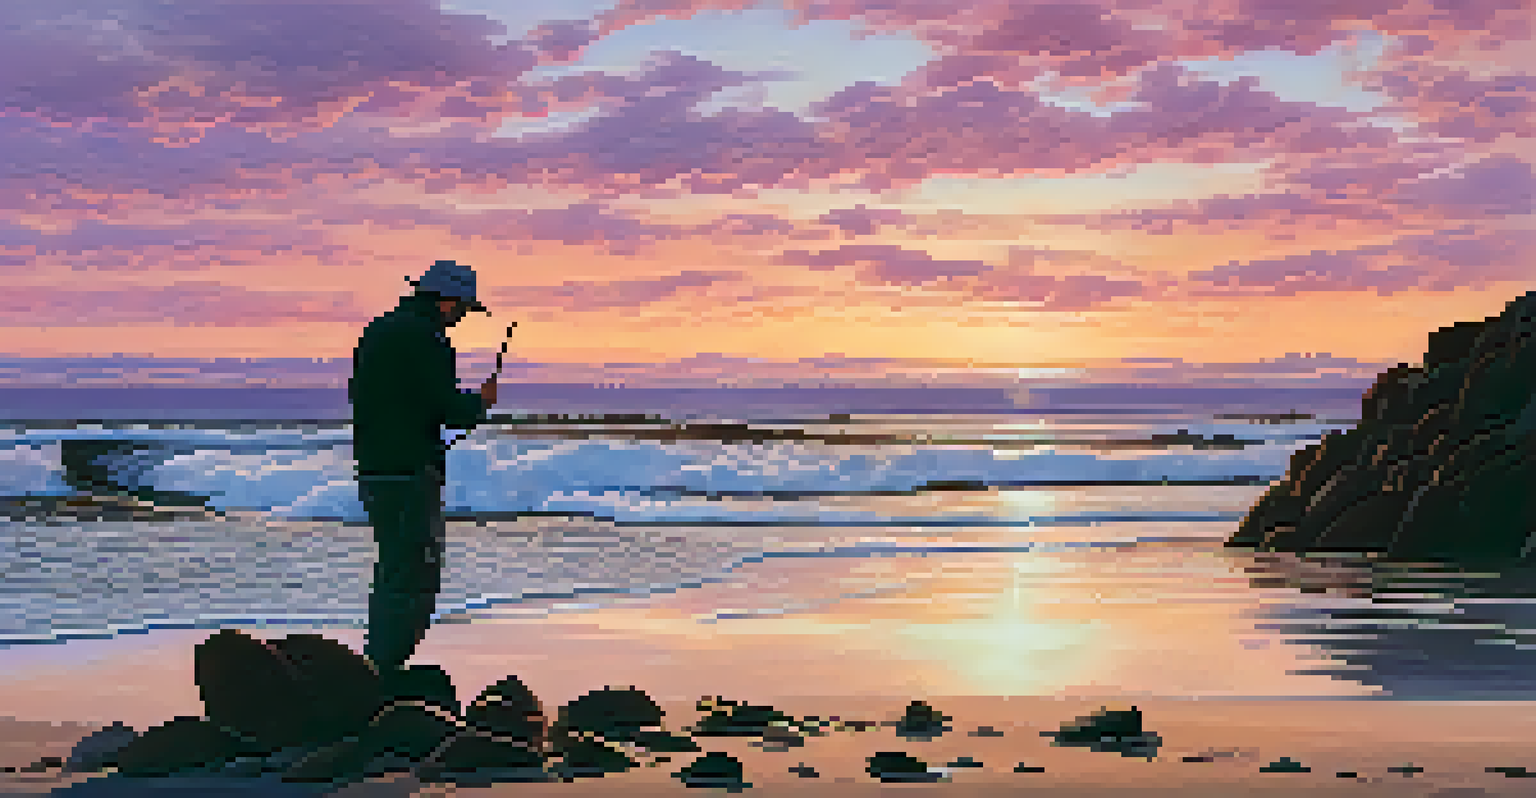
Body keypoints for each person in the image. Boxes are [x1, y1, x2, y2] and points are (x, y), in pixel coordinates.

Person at [348, 259, 499, 681]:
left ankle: (377, 663)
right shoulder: (428, 339)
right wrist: (479, 402)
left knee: (393, 567)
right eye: (464, 309)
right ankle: (385, 668)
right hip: (410, 470)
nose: (462, 318)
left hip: (373, 466)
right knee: (416, 571)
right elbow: (447, 408)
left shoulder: (378, 330)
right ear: (448, 301)